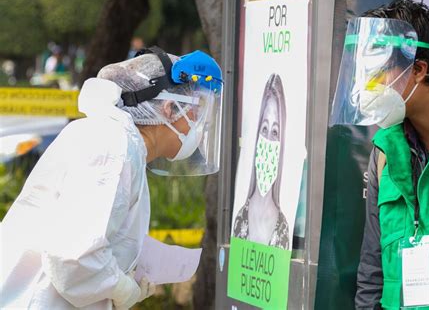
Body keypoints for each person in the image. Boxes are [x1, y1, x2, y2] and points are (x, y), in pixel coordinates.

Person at [0, 46, 223, 309]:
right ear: (170, 108)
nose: (200, 125)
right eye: (196, 113)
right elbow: (73, 258)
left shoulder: (119, 142)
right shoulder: (111, 146)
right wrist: (122, 288)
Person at [330, 0, 429, 309]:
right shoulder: (385, 149)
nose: (365, 88)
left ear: (419, 69)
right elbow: (371, 273)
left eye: (376, 73)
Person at [232, 73, 290, 250]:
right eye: (264, 129)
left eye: (275, 133)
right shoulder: (240, 218)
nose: (268, 141)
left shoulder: (283, 228)